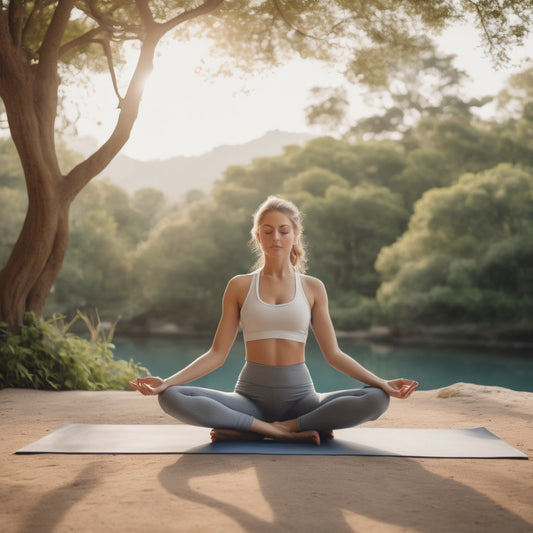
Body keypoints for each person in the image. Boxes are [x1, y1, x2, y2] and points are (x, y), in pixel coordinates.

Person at [130, 196, 418, 445]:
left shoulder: (313, 287)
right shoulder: (240, 286)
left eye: (283, 231)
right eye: (267, 232)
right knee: (171, 397)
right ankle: (275, 430)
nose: (276, 238)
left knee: (377, 398)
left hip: (302, 400)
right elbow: (217, 354)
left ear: (295, 235)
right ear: (258, 236)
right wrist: (165, 383)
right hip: (248, 399)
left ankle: (277, 428)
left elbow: (334, 354)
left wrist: (382, 382)